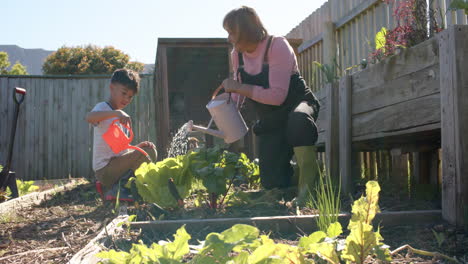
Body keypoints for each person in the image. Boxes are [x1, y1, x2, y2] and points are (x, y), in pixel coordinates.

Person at [220, 6, 321, 200]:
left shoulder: (277, 46)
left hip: (298, 105)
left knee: (298, 120)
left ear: (245, 31)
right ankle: (293, 174)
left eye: (231, 32)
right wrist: (227, 113)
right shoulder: (237, 55)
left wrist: (238, 87)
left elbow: (277, 96)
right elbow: (238, 91)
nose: (229, 38)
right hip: (272, 118)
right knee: (272, 182)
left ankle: (309, 189)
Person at [86, 69, 157, 200]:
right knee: (145, 153)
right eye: (124, 93)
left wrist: (137, 148)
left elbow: (119, 149)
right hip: (105, 170)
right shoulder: (104, 108)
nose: (126, 99)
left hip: (116, 166)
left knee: (149, 151)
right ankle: (117, 190)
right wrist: (116, 113)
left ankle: (125, 188)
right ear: (112, 88)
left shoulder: (119, 116)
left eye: (130, 96)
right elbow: (89, 117)